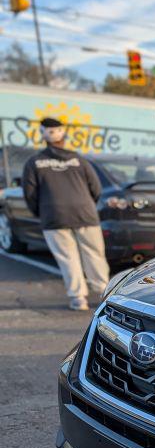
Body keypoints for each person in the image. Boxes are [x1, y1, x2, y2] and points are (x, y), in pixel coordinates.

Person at [22, 117, 109, 311]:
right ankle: (104, 293)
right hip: (86, 214)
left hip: (54, 217)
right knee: (94, 255)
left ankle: (78, 298)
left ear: (43, 136)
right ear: (64, 135)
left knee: (67, 258)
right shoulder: (79, 160)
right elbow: (96, 188)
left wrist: (42, 212)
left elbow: (29, 194)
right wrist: (86, 206)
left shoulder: (34, 163)